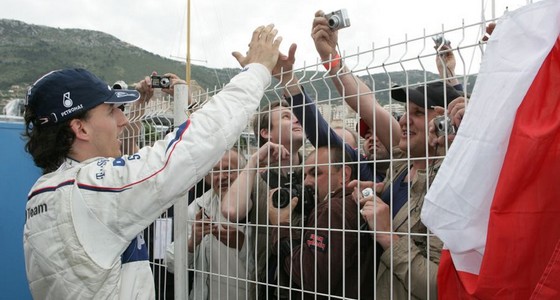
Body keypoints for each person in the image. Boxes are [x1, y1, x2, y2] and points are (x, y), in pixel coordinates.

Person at [22, 23, 282, 300]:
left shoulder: (45, 193)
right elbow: (188, 149)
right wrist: (256, 71)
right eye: (111, 112)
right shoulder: (90, 191)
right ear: (81, 129)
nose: (122, 121)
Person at [221, 98, 304, 299]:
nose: (296, 120)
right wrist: (254, 162)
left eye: (297, 116)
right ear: (266, 133)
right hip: (268, 288)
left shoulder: (317, 173)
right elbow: (231, 211)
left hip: (313, 286)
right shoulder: (256, 179)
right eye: (286, 116)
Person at [270, 145, 377, 299]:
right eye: (305, 175)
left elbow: (312, 277)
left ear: (344, 175)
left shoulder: (333, 209)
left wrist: (281, 226)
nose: (306, 182)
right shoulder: (351, 204)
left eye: (315, 174)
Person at [166, 148, 253, 299]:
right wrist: (193, 241)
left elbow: (266, 269)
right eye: (216, 171)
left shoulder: (257, 206)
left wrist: (242, 245)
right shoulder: (200, 206)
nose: (222, 177)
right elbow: (171, 263)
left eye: (229, 170)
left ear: (243, 173)